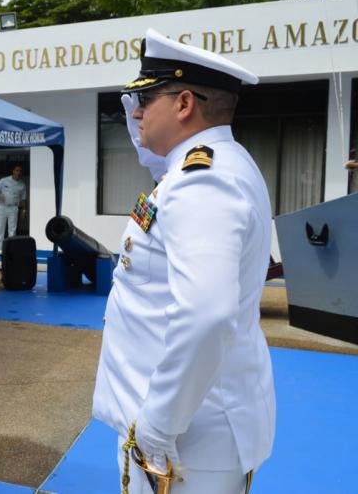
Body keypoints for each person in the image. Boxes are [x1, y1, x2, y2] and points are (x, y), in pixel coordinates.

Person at [92, 28, 275, 494]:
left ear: (184, 104)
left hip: (185, 438)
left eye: (146, 99)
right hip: (190, 427)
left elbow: (206, 314)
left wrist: (157, 424)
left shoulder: (202, 180)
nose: (136, 113)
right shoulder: (208, 166)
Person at [0, 165, 27, 250]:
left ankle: (11, 249)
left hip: (14, 208)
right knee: (0, 228)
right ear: (13, 171)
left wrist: (24, 210)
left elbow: (23, 198)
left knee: (12, 229)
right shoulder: (4, 180)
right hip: (2, 207)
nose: (18, 173)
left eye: (20, 171)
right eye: (17, 170)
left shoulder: (22, 185)